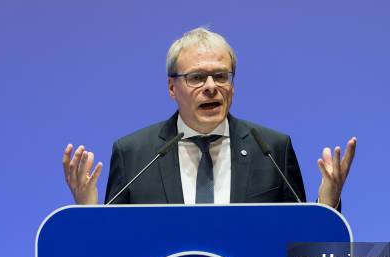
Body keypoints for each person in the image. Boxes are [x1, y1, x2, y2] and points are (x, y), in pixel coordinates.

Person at [62, 27, 356, 208]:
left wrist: (327, 202)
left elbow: (301, 249)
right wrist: (87, 209)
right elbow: (112, 246)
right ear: (171, 87)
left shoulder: (271, 149)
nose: (212, 87)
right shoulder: (134, 155)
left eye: (221, 76)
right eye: (197, 77)